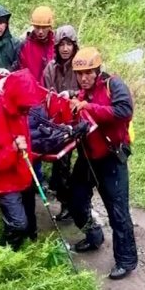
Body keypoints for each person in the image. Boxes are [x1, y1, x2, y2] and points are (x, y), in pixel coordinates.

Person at [63, 47, 140, 280]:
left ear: (97, 70)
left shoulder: (113, 85)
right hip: (88, 157)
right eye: (80, 74)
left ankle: (126, 260)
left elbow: (124, 111)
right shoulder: (81, 93)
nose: (84, 77)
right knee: (75, 200)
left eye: (88, 73)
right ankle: (93, 235)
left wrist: (90, 108)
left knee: (117, 211)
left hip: (111, 158)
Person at [0, 70, 43, 249]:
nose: (28, 110)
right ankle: (5, 254)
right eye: (25, 106)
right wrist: (12, 149)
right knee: (18, 224)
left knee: (29, 222)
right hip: (3, 181)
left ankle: (26, 251)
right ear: (14, 98)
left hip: (22, 173)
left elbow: (24, 141)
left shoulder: (19, 111)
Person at [41, 25, 80, 211]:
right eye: (61, 44)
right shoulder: (51, 67)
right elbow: (44, 93)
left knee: (83, 166)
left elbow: (89, 90)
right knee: (61, 164)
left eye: (69, 44)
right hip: (58, 122)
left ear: (74, 46)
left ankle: (77, 203)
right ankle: (66, 204)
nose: (65, 48)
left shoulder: (81, 66)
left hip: (80, 120)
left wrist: (71, 93)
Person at [18, 6, 56, 78]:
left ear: (50, 27)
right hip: (31, 87)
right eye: (37, 27)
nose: (40, 31)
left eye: (44, 27)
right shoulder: (25, 45)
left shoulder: (57, 45)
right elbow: (21, 70)